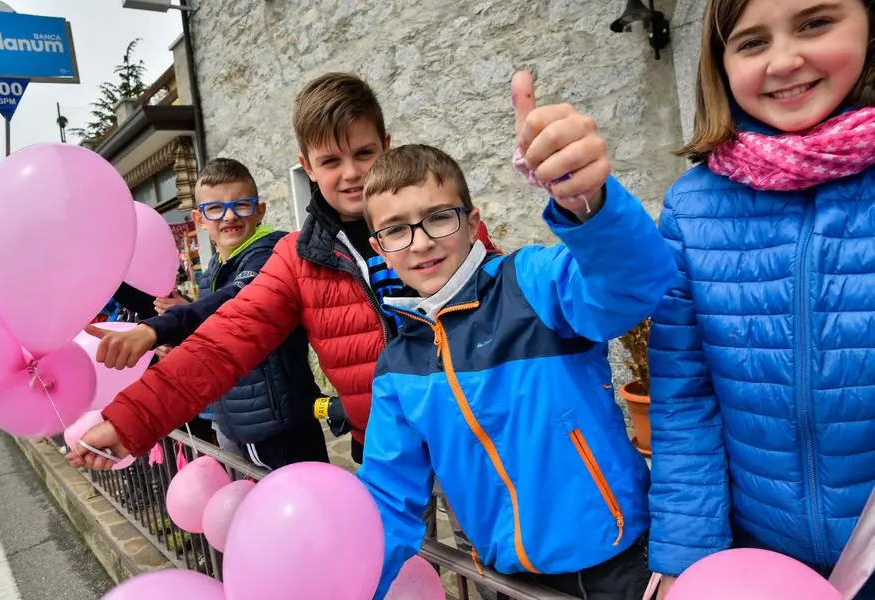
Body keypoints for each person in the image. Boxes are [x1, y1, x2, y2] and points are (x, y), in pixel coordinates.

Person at [66, 73, 499, 471]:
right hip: (387, 449)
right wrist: (130, 421)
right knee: (403, 554)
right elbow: (220, 345)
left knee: (493, 550)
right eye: (330, 161)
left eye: (364, 153)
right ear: (307, 167)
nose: (351, 174)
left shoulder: (445, 223)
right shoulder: (299, 259)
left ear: (385, 145)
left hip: (479, 432)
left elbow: (510, 305)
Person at [357, 75, 676, 598]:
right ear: (380, 247)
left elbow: (635, 284)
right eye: (396, 229)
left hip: (613, 563)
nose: (420, 243)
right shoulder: (398, 365)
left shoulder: (531, 282)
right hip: (505, 579)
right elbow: (390, 501)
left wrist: (586, 205)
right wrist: (353, 582)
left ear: (471, 221)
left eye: (438, 217)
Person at [648, 1, 875, 598]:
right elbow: (683, 398)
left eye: (815, 23)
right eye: (751, 42)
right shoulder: (693, 206)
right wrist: (686, 557)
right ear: (720, 66)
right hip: (764, 560)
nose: (785, 60)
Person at [85, 158, 329, 470]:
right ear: (199, 219)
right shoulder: (215, 267)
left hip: (277, 420)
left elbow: (233, 302)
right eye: (215, 209)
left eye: (241, 205)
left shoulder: (270, 256)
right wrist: (180, 327)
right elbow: (217, 327)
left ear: (260, 211)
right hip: (236, 415)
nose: (229, 217)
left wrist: (157, 328)